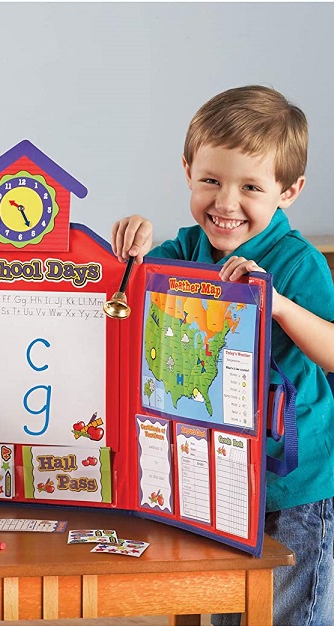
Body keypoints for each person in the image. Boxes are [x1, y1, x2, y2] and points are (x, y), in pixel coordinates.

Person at [111, 85, 334, 626]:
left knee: (287, 612)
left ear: (289, 191)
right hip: (211, 473)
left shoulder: (297, 261)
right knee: (227, 606)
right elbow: (128, 294)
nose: (226, 203)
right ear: (188, 171)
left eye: (250, 187)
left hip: (293, 486)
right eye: (211, 180)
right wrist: (135, 244)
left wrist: (279, 306)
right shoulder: (183, 251)